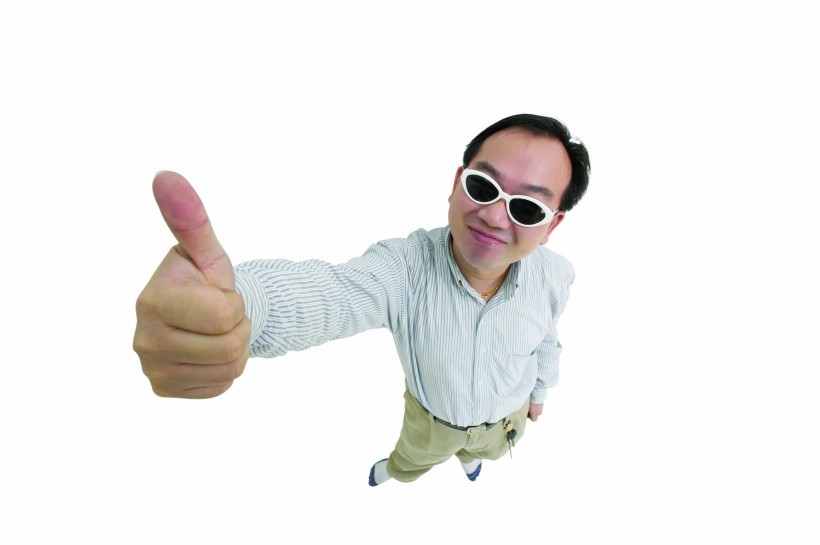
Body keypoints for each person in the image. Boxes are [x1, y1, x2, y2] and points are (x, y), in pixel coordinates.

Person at [133, 114, 591, 486]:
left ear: (551, 226)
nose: (493, 216)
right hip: (431, 424)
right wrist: (236, 306)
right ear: (457, 183)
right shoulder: (403, 268)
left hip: (507, 420)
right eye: (483, 187)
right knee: (410, 462)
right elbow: (335, 291)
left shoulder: (556, 276)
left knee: (483, 453)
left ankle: (470, 460)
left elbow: (547, 340)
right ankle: (396, 471)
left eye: (527, 208)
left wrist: (539, 394)